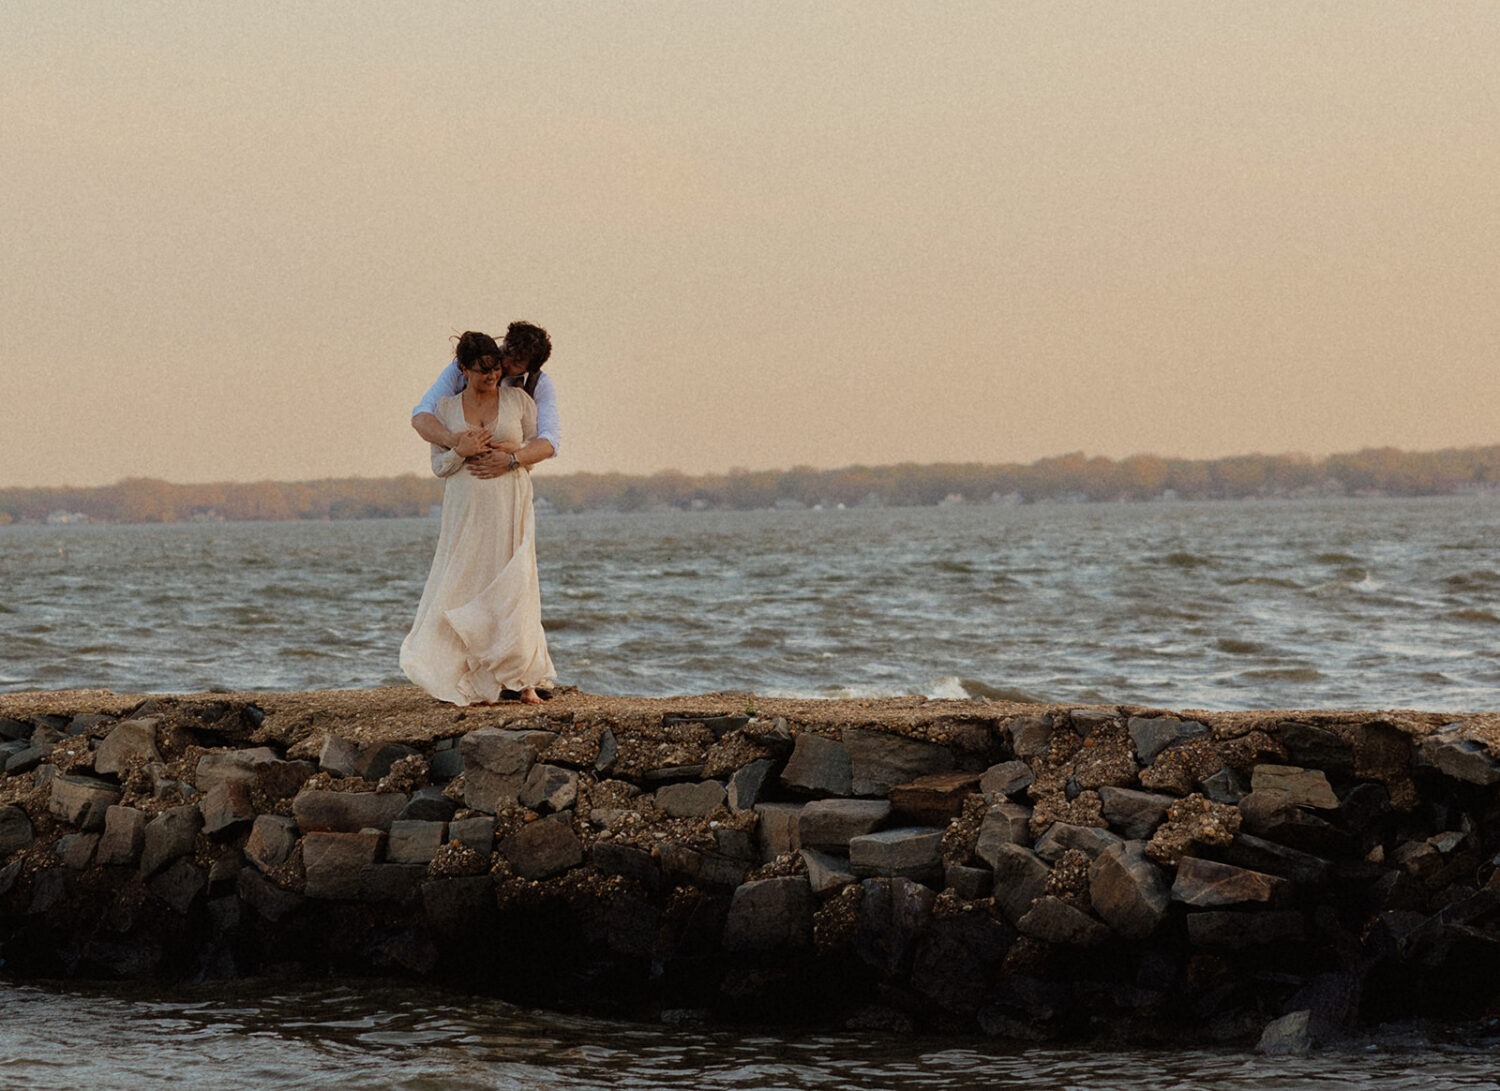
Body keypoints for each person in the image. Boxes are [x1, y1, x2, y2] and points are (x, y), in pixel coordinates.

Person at [400, 331, 556, 705]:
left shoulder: (522, 398)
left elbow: (542, 444)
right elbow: (438, 462)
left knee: (514, 580)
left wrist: (513, 454)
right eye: (486, 369)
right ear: (465, 369)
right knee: (465, 579)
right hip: (466, 502)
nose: (494, 375)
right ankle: (470, 674)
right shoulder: (447, 408)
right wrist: (461, 448)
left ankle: (522, 677)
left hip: (509, 498)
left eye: (498, 369)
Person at [411, 321, 559, 479]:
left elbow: (549, 440)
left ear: (529, 369)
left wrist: (514, 457)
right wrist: (454, 440)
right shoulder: (461, 368)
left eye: (515, 363)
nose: (505, 362)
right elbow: (421, 415)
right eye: (506, 352)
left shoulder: (539, 384)